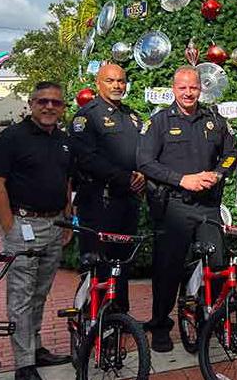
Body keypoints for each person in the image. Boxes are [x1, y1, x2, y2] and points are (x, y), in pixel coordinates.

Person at [137, 66, 237, 352]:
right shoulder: (158, 122)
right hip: (175, 208)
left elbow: (231, 153)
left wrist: (218, 173)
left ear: (200, 88)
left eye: (193, 87)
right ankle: (160, 326)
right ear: (174, 89)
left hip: (208, 207)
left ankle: (209, 319)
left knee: (216, 264)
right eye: (182, 87)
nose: (188, 92)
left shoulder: (214, 120)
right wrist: (182, 179)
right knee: (168, 270)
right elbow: (144, 162)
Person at [0, 82, 73, 380]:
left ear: (62, 108)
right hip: (23, 225)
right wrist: (9, 226)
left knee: (40, 293)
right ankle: (24, 364)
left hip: (54, 224)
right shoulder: (10, 138)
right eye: (43, 101)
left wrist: (67, 218)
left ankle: (34, 348)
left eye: (56, 103)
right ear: (31, 104)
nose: (49, 107)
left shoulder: (63, 140)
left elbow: (66, 181)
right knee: (21, 295)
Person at [69, 64, 143, 313]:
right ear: (98, 83)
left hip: (127, 202)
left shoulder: (132, 116)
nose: (117, 86)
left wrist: (142, 175)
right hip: (98, 203)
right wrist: (124, 177)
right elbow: (86, 158)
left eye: (121, 81)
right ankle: (92, 320)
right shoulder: (86, 117)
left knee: (121, 264)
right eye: (110, 81)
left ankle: (119, 317)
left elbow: (142, 152)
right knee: (97, 265)